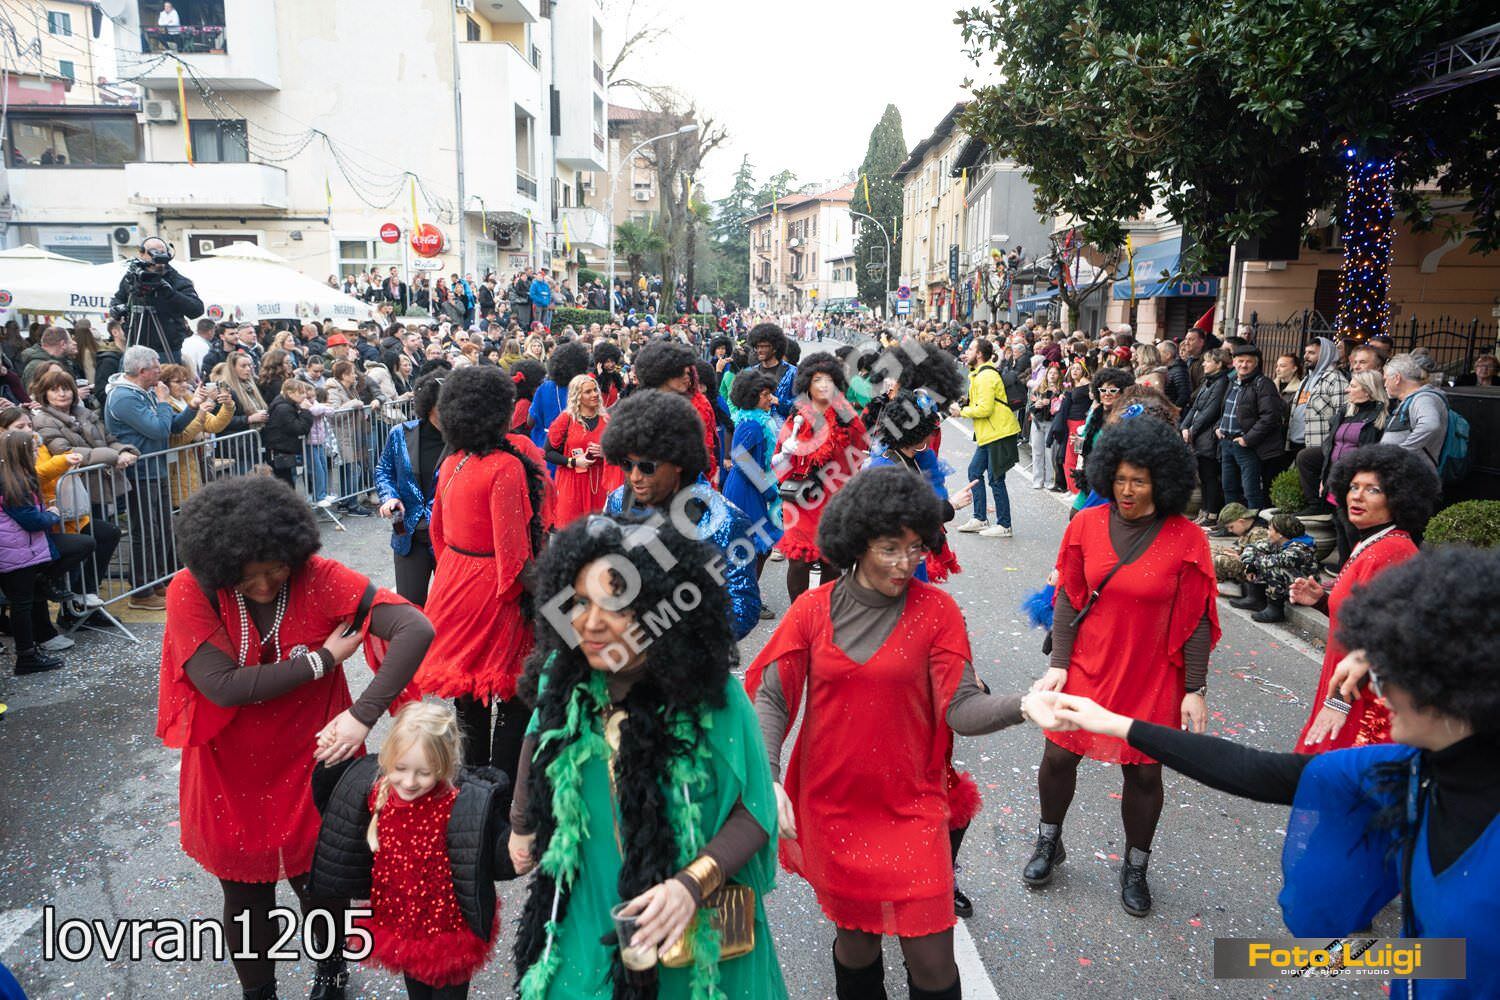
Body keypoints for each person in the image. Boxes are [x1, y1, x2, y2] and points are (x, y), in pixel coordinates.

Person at [1034, 545, 1500, 1000]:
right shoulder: (1409, 769)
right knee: (1250, 959)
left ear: (1448, 688)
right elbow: (1255, 771)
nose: (1375, 691)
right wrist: (1113, 723)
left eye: (1388, 675)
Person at [747, 466, 1029, 1000]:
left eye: (915, 547)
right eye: (889, 549)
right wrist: (770, 774)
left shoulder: (937, 611)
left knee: (934, 964)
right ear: (856, 544)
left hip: (913, 804)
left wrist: (1026, 706)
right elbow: (773, 697)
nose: (905, 563)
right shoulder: (812, 611)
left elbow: (962, 708)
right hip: (835, 806)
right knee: (856, 945)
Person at [157, 476, 431, 1000]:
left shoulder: (318, 577)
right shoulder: (191, 588)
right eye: (247, 575)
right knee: (245, 897)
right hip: (228, 768)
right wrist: (323, 659)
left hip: (315, 758)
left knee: (323, 885)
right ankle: (259, 994)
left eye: (276, 568)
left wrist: (364, 715)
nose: (264, 584)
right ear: (220, 565)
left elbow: (415, 628)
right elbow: (221, 687)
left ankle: (331, 977)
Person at [508, 515, 787, 1000]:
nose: (590, 622)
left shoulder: (713, 697)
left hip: (691, 936)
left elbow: (755, 810)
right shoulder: (564, 675)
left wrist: (690, 885)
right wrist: (521, 824)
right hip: (586, 920)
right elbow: (537, 738)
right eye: (579, 602)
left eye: (614, 604)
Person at [1027, 418, 1220, 916]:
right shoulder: (1085, 525)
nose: (1127, 491)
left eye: (1139, 481)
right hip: (1088, 667)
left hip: (1152, 676)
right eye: (1119, 479)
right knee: (1058, 758)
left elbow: (1198, 619)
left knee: (1145, 776)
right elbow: (1069, 598)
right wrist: (1060, 664)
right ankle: (1049, 839)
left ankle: (1136, 866)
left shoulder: (1187, 539)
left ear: (1163, 481)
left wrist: (1194, 688)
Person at [309, 701, 517, 1000]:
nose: (408, 782)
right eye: (400, 768)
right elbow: (335, 810)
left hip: (450, 928)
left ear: (444, 765)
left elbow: (500, 858)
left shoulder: (462, 804)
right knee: (416, 991)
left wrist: (524, 836)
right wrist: (331, 759)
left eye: (423, 773)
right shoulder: (376, 793)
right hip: (402, 922)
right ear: (388, 758)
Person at [416, 366, 548, 783]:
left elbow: (438, 534)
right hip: (493, 591)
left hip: (454, 581)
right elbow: (514, 560)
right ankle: (501, 789)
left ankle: (471, 788)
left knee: (468, 698)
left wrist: (457, 571)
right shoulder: (505, 467)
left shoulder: (452, 460)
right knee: (513, 695)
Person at [1289, 444, 1438, 754]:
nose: (1357, 496)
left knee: (1334, 772)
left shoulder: (1391, 551)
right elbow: (1362, 617)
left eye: (1373, 490)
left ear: (1398, 498)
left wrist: (1338, 703)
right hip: (1346, 684)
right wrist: (1321, 601)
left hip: (1361, 696)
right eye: (1354, 487)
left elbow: (1383, 638)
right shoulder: (1372, 542)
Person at [601, 390, 763, 639]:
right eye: (626, 464)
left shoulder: (724, 520)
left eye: (646, 467)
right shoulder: (618, 500)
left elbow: (743, 607)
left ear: (677, 462)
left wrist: (680, 640)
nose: (634, 477)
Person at [104, 346, 202, 610]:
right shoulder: (124, 397)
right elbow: (158, 429)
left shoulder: (146, 392)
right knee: (145, 531)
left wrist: (193, 406)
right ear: (142, 370)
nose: (160, 370)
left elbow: (173, 426)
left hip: (156, 468)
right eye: (157, 366)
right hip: (140, 472)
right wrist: (163, 402)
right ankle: (141, 590)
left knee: (160, 529)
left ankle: (156, 581)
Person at [28, 367, 137, 605]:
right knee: (85, 544)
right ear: (44, 394)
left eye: (66, 388)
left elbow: (108, 439)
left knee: (103, 537)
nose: (62, 394)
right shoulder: (42, 419)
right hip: (72, 491)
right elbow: (64, 451)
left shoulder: (85, 413)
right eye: (54, 390)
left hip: (96, 486)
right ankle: (74, 603)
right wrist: (112, 456)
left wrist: (124, 451)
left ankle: (87, 596)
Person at [773, 355, 869, 602]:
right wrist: (786, 452)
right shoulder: (797, 416)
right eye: (817, 380)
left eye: (829, 380)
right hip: (801, 500)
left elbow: (860, 451)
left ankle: (825, 614)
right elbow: (777, 460)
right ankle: (799, 612)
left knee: (831, 563)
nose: (824, 385)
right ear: (807, 384)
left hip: (834, 501)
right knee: (798, 562)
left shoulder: (848, 418)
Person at [0, 429, 97, 674]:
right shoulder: (12, 483)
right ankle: (26, 657)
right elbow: (31, 521)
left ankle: (29, 650)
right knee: (21, 605)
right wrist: (52, 514)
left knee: (24, 602)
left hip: (22, 550)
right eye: (33, 450)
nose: (37, 453)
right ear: (21, 453)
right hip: (16, 552)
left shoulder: (16, 477)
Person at [375, 372, 446, 606]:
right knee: (410, 607)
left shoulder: (462, 441)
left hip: (449, 538)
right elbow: (384, 470)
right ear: (430, 405)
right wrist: (389, 497)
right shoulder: (400, 433)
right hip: (407, 533)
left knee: (449, 610)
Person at [1314, 370, 1389, 562]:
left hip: (1355, 484)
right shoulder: (1345, 412)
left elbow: (1372, 456)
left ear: (1368, 391)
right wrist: (1324, 478)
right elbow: (1330, 447)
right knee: (1340, 527)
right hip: (1335, 480)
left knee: (1352, 531)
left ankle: (1353, 571)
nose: (1347, 389)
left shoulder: (1379, 417)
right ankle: (1343, 570)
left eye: (1353, 386)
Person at [721, 369, 784, 595]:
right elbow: (742, 460)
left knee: (755, 546)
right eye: (765, 395)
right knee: (755, 546)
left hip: (749, 485)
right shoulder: (752, 424)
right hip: (746, 489)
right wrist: (769, 492)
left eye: (769, 394)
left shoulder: (752, 419)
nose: (770, 398)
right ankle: (743, 596)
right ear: (751, 396)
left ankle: (744, 594)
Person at [954, 339, 1020, 538]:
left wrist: (961, 412)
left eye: (971, 349)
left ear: (980, 354)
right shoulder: (978, 374)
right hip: (989, 434)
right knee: (974, 472)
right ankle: (980, 518)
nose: (967, 351)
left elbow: (985, 409)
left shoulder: (986, 375)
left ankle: (1004, 525)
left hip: (998, 432)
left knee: (996, 478)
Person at [108, 237, 202, 362]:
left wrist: (169, 293)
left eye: (162, 252)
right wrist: (116, 308)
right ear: (142, 254)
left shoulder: (176, 280)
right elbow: (118, 299)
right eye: (153, 252)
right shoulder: (133, 278)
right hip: (135, 347)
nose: (158, 257)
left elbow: (196, 309)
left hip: (166, 350)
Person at [544, 374, 619, 526]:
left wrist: (605, 453)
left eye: (595, 390)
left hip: (598, 485)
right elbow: (548, 452)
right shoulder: (566, 419)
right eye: (588, 392)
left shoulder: (606, 420)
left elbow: (618, 453)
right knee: (571, 531)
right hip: (571, 484)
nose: (595, 394)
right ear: (577, 396)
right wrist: (574, 461)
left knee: (597, 532)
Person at [1284, 338, 1348, 515]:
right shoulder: (1307, 379)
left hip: (1318, 443)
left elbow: (1342, 414)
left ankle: (1317, 508)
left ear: (1325, 354)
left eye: (1312, 353)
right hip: (1297, 441)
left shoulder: (1335, 379)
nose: (1306, 356)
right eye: (1306, 352)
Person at [1215, 343, 1282, 511]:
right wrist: (1218, 426)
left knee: (1250, 490)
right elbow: (1225, 409)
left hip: (1247, 445)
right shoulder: (1232, 381)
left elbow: (1270, 417)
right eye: (1240, 361)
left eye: (1249, 361)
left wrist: (1247, 439)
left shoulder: (1263, 383)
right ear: (1234, 362)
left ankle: (1255, 523)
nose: (1244, 365)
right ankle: (1232, 522)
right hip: (1226, 442)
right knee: (1229, 488)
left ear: (1256, 363)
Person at [160, 362, 235, 507]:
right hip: (177, 467)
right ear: (164, 385)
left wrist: (228, 405)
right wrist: (200, 416)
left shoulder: (189, 399)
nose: (184, 385)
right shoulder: (166, 406)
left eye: (185, 380)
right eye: (177, 382)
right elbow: (178, 438)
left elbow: (214, 425)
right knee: (182, 508)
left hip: (197, 461)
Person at [1179, 347, 1231, 524]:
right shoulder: (1207, 381)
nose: (1203, 364)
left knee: (1210, 476)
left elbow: (1211, 411)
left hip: (1208, 436)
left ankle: (1212, 512)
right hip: (1197, 435)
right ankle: (1204, 510)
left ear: (1219, 364)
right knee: (1203, 476)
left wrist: (1192, 430)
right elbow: (1195, 407)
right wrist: (1184, 426)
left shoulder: (1222, 382)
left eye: (1208, 361)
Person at [1236, 512, 1318, 623]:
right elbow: (1252, 547)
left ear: (1280, 534)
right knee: (1257, 558)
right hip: (1289, 583)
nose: (1268, 533)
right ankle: (1255, 599)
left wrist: (1254, 564)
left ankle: (1275, 610)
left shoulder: (1301, 548)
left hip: (1303, 589)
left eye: (1270, 530)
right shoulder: (1279, 541)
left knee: (1273, 567)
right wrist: (1249, 564)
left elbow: (1279, 560)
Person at [1380, 353, 1449, 472]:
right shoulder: (1417, 398)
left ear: (1397, 378)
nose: (1385, 385)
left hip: (1412, 473)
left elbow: (1430, 425)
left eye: (1386, 379)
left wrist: (1402, 451)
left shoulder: (1423, 398)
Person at [526, 341, 589, 461]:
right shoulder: (584, 387)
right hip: (575, 447)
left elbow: (530, 421)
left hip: (544, 447)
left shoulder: (545, 387)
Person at [262, 379, 316, 489]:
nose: (304, 396)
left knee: (287, 483)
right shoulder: (283, 408)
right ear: (290, 393)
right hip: (281, 451)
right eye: (301, 393)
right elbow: (299, 428)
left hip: (284, 450)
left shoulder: (286, 404)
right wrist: (305, 411)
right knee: (286, 485)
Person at [747, 322, 798, 420]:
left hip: (784, 426)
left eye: (763, 346)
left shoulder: (792, 372)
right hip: (758, 425)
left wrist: (779, 401)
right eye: (757, 347)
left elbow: (802, 404)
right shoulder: (751, 373)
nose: (759, 350)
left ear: (774, 348)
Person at [1027, 364, 1063, 489]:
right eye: (1050, 373)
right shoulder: (1038, 389)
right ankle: (1037, 479)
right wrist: (1036, 405)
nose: (1052, 375)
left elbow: (1062, 409)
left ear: (1059, 376)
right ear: (1046, 375)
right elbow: (1029, 407)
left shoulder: (1061, 391)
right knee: (1037, 451)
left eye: (1055, 373)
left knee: (1050, 453)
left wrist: (1053, 402)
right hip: (1037, 422)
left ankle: (1050, 480)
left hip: (1051, 423)